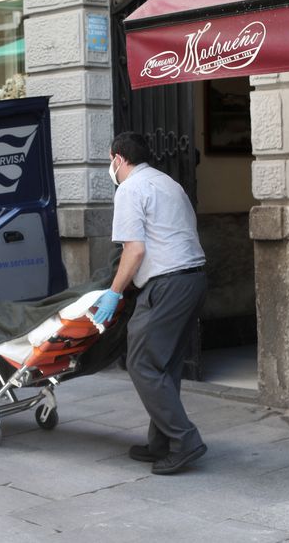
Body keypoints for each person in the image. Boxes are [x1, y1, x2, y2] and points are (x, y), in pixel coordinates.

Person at [92, 132, 208, 475]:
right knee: (166, 364)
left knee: (141, 363)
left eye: (108, 160)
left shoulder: (129, 189)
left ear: (117, 159)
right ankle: (162, 443)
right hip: (193, 279)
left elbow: (135, 250)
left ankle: (185, 440)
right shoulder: (169, 183)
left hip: (167, 283)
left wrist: (114, 292)